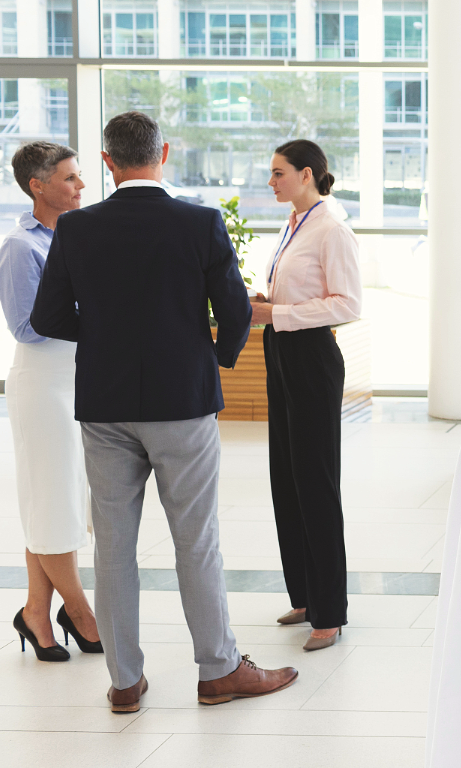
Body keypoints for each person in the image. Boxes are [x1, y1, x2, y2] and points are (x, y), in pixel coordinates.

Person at [30, 111, 298, 712]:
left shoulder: (77, 229)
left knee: (114, 547)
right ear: (165, 153)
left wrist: (102, 338)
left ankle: (125, 681)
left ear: (107, 162)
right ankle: (218, 670)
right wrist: (210, 356)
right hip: (183, 402)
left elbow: (47, 318)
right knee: (196, 541)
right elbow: (234, 312)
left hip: (105, 403)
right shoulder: (199, 222)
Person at [256, 139, 361, 651]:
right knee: (286, 476)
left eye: (278, 173)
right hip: (281, 352)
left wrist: (277, 314)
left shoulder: (331, 228)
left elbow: (346, 304)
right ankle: (305, 594)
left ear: (307, 173)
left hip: (311, 358)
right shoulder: (294, 224)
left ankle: (330, 611)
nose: (271, 181)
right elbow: (296, 293)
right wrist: (268, 302)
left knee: (315, 481)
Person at [0, 142, 100, 662]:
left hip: (76, 379)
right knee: (55, 502)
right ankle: (81, 613)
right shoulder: (21, 246)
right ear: (38, 186)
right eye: (70, 178)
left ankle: (36, 612)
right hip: (43, 384)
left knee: (55, 502)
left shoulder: (76, 236)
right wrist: (95, 312)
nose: (81, 186)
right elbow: (24, 325)